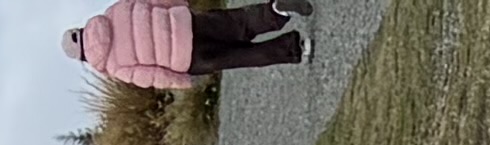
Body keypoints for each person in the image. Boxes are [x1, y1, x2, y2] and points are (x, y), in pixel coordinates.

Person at [69, 4, 310, 82]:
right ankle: (277, 10)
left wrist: (180, 81)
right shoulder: (115, 11)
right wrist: (180, 5)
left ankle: (295, 47)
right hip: (186, 22)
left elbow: (152, 76)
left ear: (83, 58)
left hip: (188, 59)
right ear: (81, 29)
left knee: (242, 57)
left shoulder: (115, 67)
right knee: (238, 23)